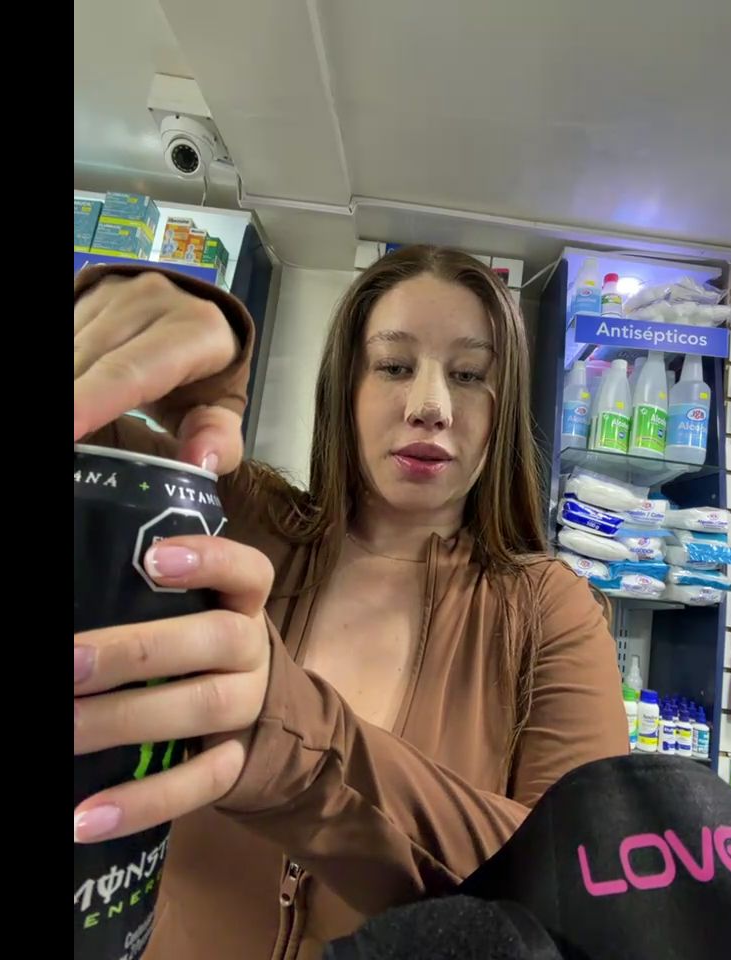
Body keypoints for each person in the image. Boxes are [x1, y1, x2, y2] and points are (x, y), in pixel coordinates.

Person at [73, 245, 628, 959]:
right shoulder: (239, 516)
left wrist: (291, 740)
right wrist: (147, 317)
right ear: (347, 386)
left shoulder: (549, 610)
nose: (430, 407)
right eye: (394, 366)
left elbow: (580, 897)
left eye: (468, 375)